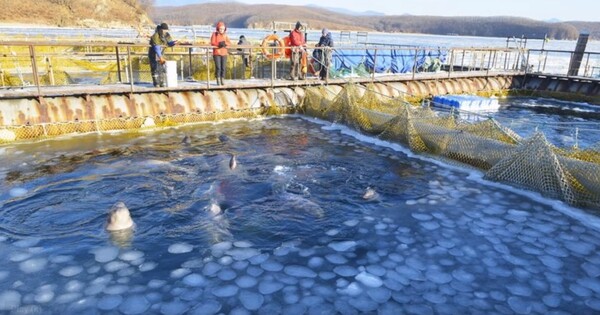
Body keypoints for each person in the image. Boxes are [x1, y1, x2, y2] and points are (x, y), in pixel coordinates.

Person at [148, 23, 178, 87]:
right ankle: (156, 83)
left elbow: (169, 42)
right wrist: (160, 57)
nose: (165, 32)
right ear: (160, 30)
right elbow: (156, 47)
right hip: (154, 54)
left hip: (161, 53)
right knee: (155, 68)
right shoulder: (155, 36)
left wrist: (173, 43)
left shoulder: (167, 35)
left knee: (161, 69)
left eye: (166, 31)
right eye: (164, 31)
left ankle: (162, 83)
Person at [210, 21, 232, 86]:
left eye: (223, 29)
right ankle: (218, 79)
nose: (222, 30)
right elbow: (212, 42)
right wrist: (219, 44)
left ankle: (222, 79)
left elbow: (229, 43)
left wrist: (225, 44)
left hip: (224, 53)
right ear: (218, 28)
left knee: (223, 67)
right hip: (217, 53)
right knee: (218, 67)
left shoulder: (225, 35)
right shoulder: (214, 34)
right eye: (220, 28)